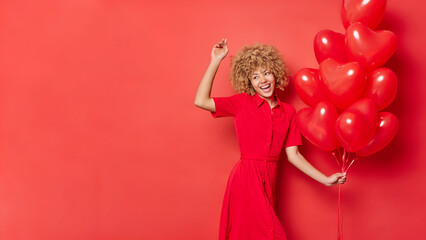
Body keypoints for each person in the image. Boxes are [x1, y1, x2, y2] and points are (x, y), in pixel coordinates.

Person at [194, 38, 346, 240]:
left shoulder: (289, 112)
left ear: (275, 74)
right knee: (265, 234)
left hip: (270, 180)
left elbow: (294, 156)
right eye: (255, 77)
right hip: (246, 179)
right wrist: (215, 61)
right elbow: (201, 101)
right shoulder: (242, 103)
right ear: (249, 82)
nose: (263, 80)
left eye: (266, 73)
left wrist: (325, 180)